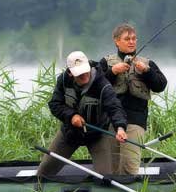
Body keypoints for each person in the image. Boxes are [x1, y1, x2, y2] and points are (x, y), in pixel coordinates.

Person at [37, 51, 128, 177]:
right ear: (70, 72)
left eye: (85, 70)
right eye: (79, 73)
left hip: (97, 135)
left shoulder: (103, 85)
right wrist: (71, 115)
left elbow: (115, 107)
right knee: (43, 172)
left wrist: (120, 127)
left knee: (105, 177)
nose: (84, 75)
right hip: (70, 133)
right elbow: (54, 104)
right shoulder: (63, 80)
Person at [100, 23, 167, 175]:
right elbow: (94, 85)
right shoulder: (106, 62)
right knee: (112, 167)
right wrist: (112, 72)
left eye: (134, 38)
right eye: (127, 39)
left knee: (130, 166)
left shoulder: (147, 63)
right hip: (110, 122)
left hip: (135, 121)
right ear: (116, 41)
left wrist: (146, 71)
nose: (132, 42)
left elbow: (160, 85)